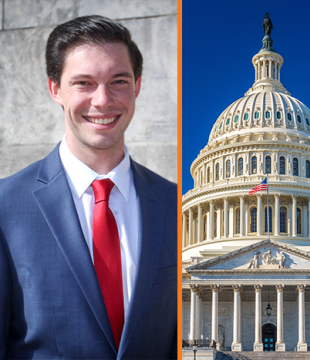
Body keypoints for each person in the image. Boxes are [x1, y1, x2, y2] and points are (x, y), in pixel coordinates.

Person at [0, 15, 177, 359]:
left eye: (118, 81)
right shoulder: (6, 208)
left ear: (137, 86)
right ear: (55, 89)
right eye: (83, 83)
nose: (103, 100)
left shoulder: (172, 204)